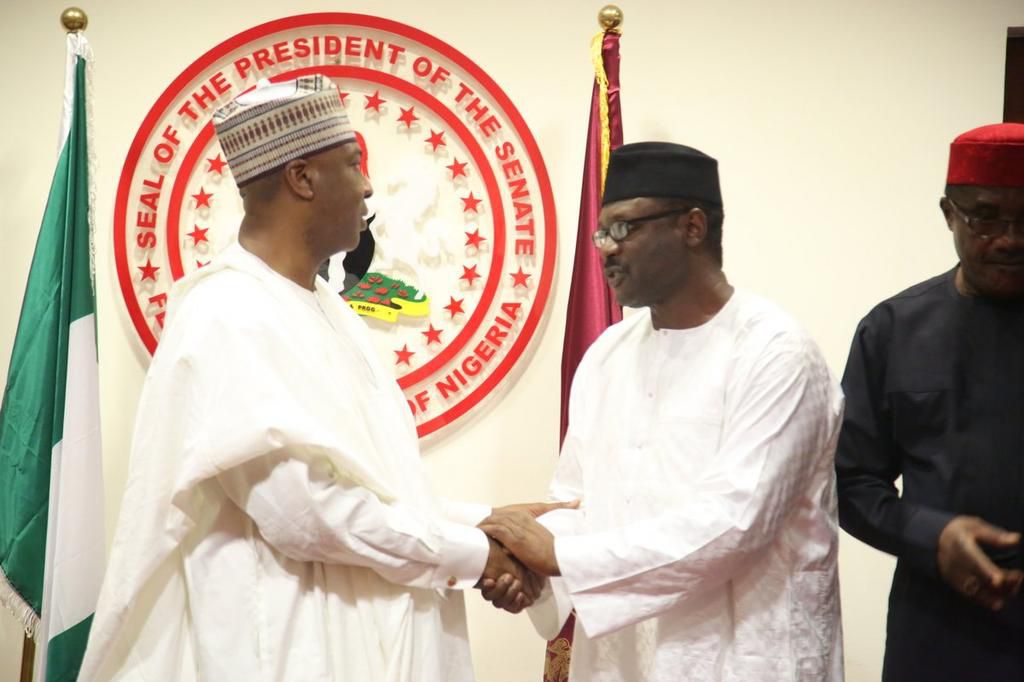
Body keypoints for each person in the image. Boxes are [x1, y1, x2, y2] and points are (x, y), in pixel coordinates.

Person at [79, 75, 557, 682]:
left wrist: (487, 521)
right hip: (289, 651)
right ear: (302, 179)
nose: (366, 186)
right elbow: (303, 510)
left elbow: (372, 490)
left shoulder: (329, 310)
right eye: (353, 163)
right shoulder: (225, 312)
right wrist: (475, 554)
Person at [480, 142, 845, 680]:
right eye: (601, 233)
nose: (605, 249)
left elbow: (733, 525)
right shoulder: (608, 354)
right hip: (621, 661)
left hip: (740, 656)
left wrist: (560, 558)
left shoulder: (775, 353)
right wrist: (527, 571)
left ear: (692, 227)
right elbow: (580, 502)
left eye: (624, 229)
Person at [835, 122, 1024, 680]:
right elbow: (850, 483)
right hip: (940, 630)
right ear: (948, 213)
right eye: (986, 216)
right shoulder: (893, 330)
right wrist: (932, 536)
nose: (1012, 238)